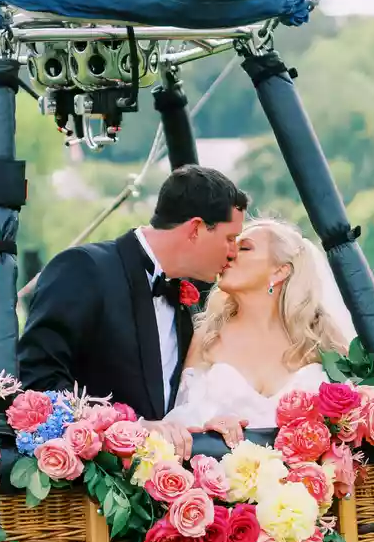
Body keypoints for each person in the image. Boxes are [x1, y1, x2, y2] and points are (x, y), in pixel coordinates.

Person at [17, 166, 248, 434]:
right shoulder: (84, 268)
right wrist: (130, 429)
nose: (233, 252)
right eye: (230, 238)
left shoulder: (188, 295)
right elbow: (38, 379)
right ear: (196, 228)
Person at [165, 217, 350, 437]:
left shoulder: (320, 335)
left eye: (244, 248)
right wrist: (209, 425)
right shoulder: (208, 334)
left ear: (279, 272)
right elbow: (179, 421)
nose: (229, 254)